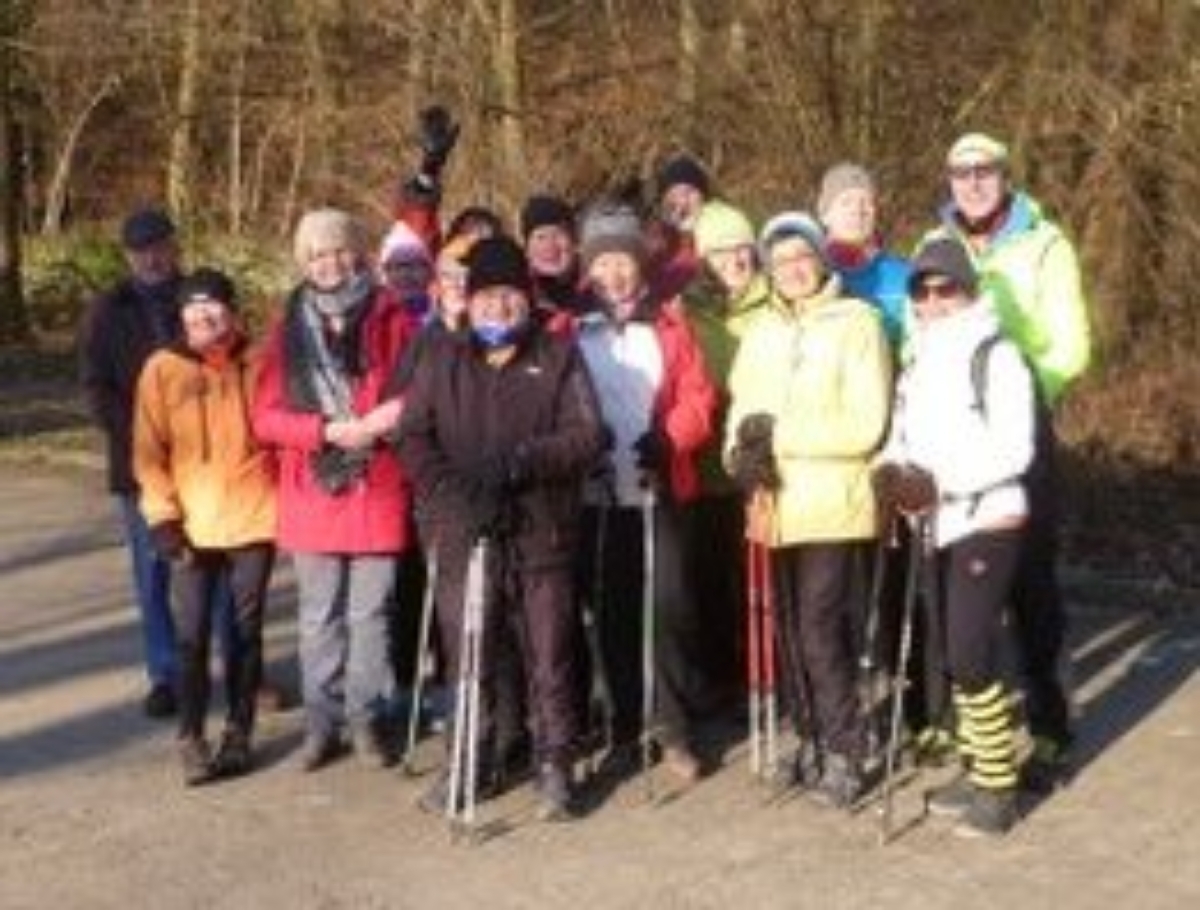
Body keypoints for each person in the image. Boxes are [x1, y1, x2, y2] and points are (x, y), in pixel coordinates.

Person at [398, 235, 607, 820]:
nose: (498, 307)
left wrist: (522, 464)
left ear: (527, 299)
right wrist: (454, 493)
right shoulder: (442, 357)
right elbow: (413, 436)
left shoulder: (559, 353)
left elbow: (587, 435)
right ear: (469, 300)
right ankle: (469, 761)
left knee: (549, 654)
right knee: (471, 654)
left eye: (510, 295)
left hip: (543, 530)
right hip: (465, 532)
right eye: (487, 296)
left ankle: (554, 766)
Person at [922, 132, 1092, 788]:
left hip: (1019, 423)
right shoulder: (933, 246)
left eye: (984, 171)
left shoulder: (1044, 244)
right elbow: (919, 330)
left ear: (1004, 175)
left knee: (1031, 582)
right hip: (950, 431)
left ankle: (1050, 725)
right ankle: (975, 733)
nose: (972, 182)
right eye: (960, 173)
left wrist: (1021, 390)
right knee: (956, 586)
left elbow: (1072, 341)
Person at [725, 212, 892, 809]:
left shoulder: (858, 324)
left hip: (832, 501)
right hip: (772, 503)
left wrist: (781, 436)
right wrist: (738, 457)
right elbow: (742, 411)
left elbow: (866, 423)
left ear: (821, 259)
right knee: (787, 631)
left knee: (821, 629)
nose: (793, 268)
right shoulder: (761, 332)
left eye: (802, 256)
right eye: (781, 260)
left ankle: (848, 746)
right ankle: (813, 736)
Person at [875, 237, 1036, 837]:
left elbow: (1014, 449)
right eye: (923, 290)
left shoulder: (996, 355)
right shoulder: (916, 361)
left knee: (969, 652)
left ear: (968, 291)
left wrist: (937, 483)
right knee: (953, 653)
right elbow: (902, 437)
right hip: (937, 525)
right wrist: (891, 473)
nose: (935, 300)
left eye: (947, 288)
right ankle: (977, 766)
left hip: (988, 517)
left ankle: (998, 789)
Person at [252, 208, 414, 772]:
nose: (329, 263)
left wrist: (388, 416)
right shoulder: (287, 324)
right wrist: (324, 431)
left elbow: (420, 389)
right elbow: (265, 418)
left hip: (379, 483)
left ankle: (367, 720)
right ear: (304, 262)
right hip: (314, 487)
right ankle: (321, 725)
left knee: (372, 615)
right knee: (319, 616)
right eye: (317, 255)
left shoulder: (393, 314)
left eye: (338, 250)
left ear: (357, 253)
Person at [574, 202, 718, 782]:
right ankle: (627, 727)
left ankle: (674, 727)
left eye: (623, 262)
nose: (614, 273)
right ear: (589, 269)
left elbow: (699, 398)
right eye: (603, 262)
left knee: (670, 608)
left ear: (639, 265)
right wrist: (583, 439)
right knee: (612, 614)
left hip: (659, 484)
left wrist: (670, 438)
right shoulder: (572, 329)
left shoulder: (670, 323)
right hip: (598, 492)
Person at [132, 268, 276, 785]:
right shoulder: (163, 368)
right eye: (193, 310)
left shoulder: (259, 362)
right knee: (191, 635)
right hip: (192, 524)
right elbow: (148, 453)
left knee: (244, 632)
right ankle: (191, 736)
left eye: (213, 307)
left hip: (254, 518)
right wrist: (163, 518)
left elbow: (279, 432)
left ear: (232, 311)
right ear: (181, 317)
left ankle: (239, 732)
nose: (204, 318)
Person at [79, 208, 184, 717]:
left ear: (174, 246)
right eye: (141, 250)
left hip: (207, 461)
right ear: (128, 256)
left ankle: (240, 667)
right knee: (154, 572)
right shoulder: (108, 309)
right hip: (140, 465)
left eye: (160, 246)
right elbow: (97, 389)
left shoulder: (200, 295)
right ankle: (166, 674)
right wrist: (143, 439)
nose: (152, 257)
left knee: (223, 572)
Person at [680, 200, 771, 713]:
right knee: (709, 577)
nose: (735, 259)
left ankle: (763, 672)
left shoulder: (774, 301)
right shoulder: (688, 311)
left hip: (760, 460)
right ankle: (719, 678)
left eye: (742, 248)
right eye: (721, 251)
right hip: (705, 460)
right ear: (702, 257)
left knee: (757, 579)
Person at [816, 161, 910, 350]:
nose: (858, 211)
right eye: (846, 202)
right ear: (825, 215)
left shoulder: (904, 275)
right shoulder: (809, 276)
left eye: (866, 202)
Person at [650, 153, 712, 300]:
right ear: (663, 199)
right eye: (674, 194)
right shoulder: (653, 236)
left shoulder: (718, 231)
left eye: (689, 192)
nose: (682, 202)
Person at [520, 193, 582, 320]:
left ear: (574, 241)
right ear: (527, 248)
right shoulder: (521, 296)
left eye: (558, 234)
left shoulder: (598, 283)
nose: (549, 246)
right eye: (540, 237)